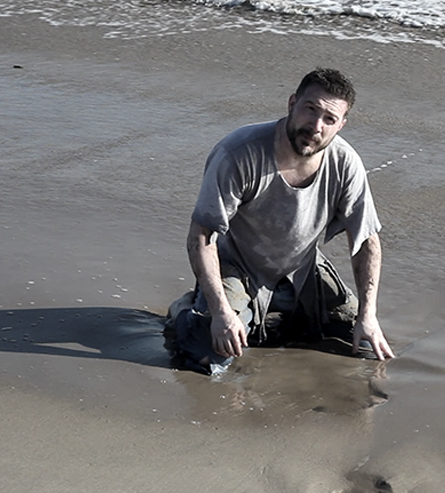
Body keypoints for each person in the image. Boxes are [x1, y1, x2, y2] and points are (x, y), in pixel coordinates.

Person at [168, 68, 394, 375]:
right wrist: (221, 313)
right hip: (238, 265)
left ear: (341, 125)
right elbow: (201, 236)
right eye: (310, 110)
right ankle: (187, 310)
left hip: (302, 267)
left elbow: (367, 241)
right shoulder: (238, 153)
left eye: (329, 119)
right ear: (292, 103)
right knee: (208, 360)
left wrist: (368, 315)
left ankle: (283, 311)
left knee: (364, 346)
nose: (316, 126)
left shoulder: (345, 163)